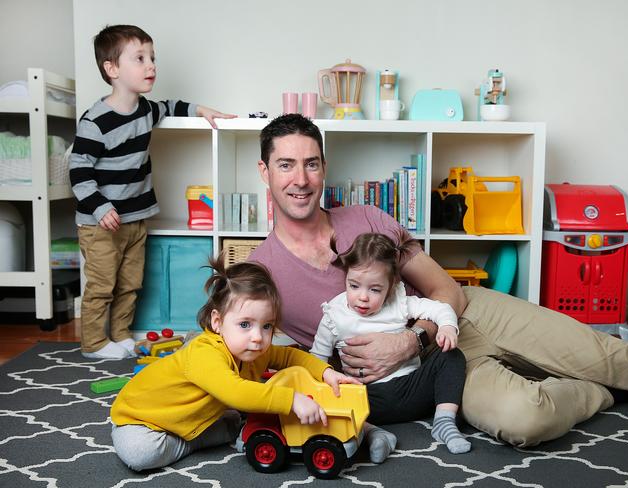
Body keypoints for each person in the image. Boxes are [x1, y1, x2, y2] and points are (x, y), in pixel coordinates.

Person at [249, 113, 628, 448]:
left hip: (466, 316)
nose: (300, 179)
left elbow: (447, 291)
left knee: (612, 358)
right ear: (264, 172)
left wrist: (409, 340)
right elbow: (245, 346)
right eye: (286, 164)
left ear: (323, 168)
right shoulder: (259, 271)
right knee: (525, 419)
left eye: (311, 163)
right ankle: (600, 392)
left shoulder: (367, 218)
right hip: (434, 374)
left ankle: (600, 372)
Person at [70, 25, 236, 359]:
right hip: (100, 223)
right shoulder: (96, 121)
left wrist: (202, 110)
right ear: (112, 69)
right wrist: (100, 207)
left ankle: (119, 335)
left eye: (153, 58)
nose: (152, 66)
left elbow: (171, 106)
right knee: (102, 286)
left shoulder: (146, 110)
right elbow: (78, 169)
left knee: (130, 283)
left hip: (136, 219)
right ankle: (93, 344)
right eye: (140, 58)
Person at [110, 255, 356, 471]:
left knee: (236, 420)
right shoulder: (204, 353)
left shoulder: (256, 349)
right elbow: (236, 392)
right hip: (140, 420)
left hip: (188, 417)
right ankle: (190, 441)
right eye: (245, 325)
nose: (258, 337)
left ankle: (199, 431)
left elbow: (292, 356)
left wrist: (325, 372)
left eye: (267, 326)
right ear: (217, 322)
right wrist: (290, 399)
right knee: (141, 455)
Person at [310, 232, 470, 454]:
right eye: (354, 286)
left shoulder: (399, 302)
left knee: (451, 356)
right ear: (346, 277)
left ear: (392, 284)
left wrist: (447, 327)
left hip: (411, 389)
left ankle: (444, 421)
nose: (363, 297)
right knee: (326, 396)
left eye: (375, 289)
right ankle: (373, 433)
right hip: (366, 398)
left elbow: (440, 308)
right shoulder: (333, 315)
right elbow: (316, 360)